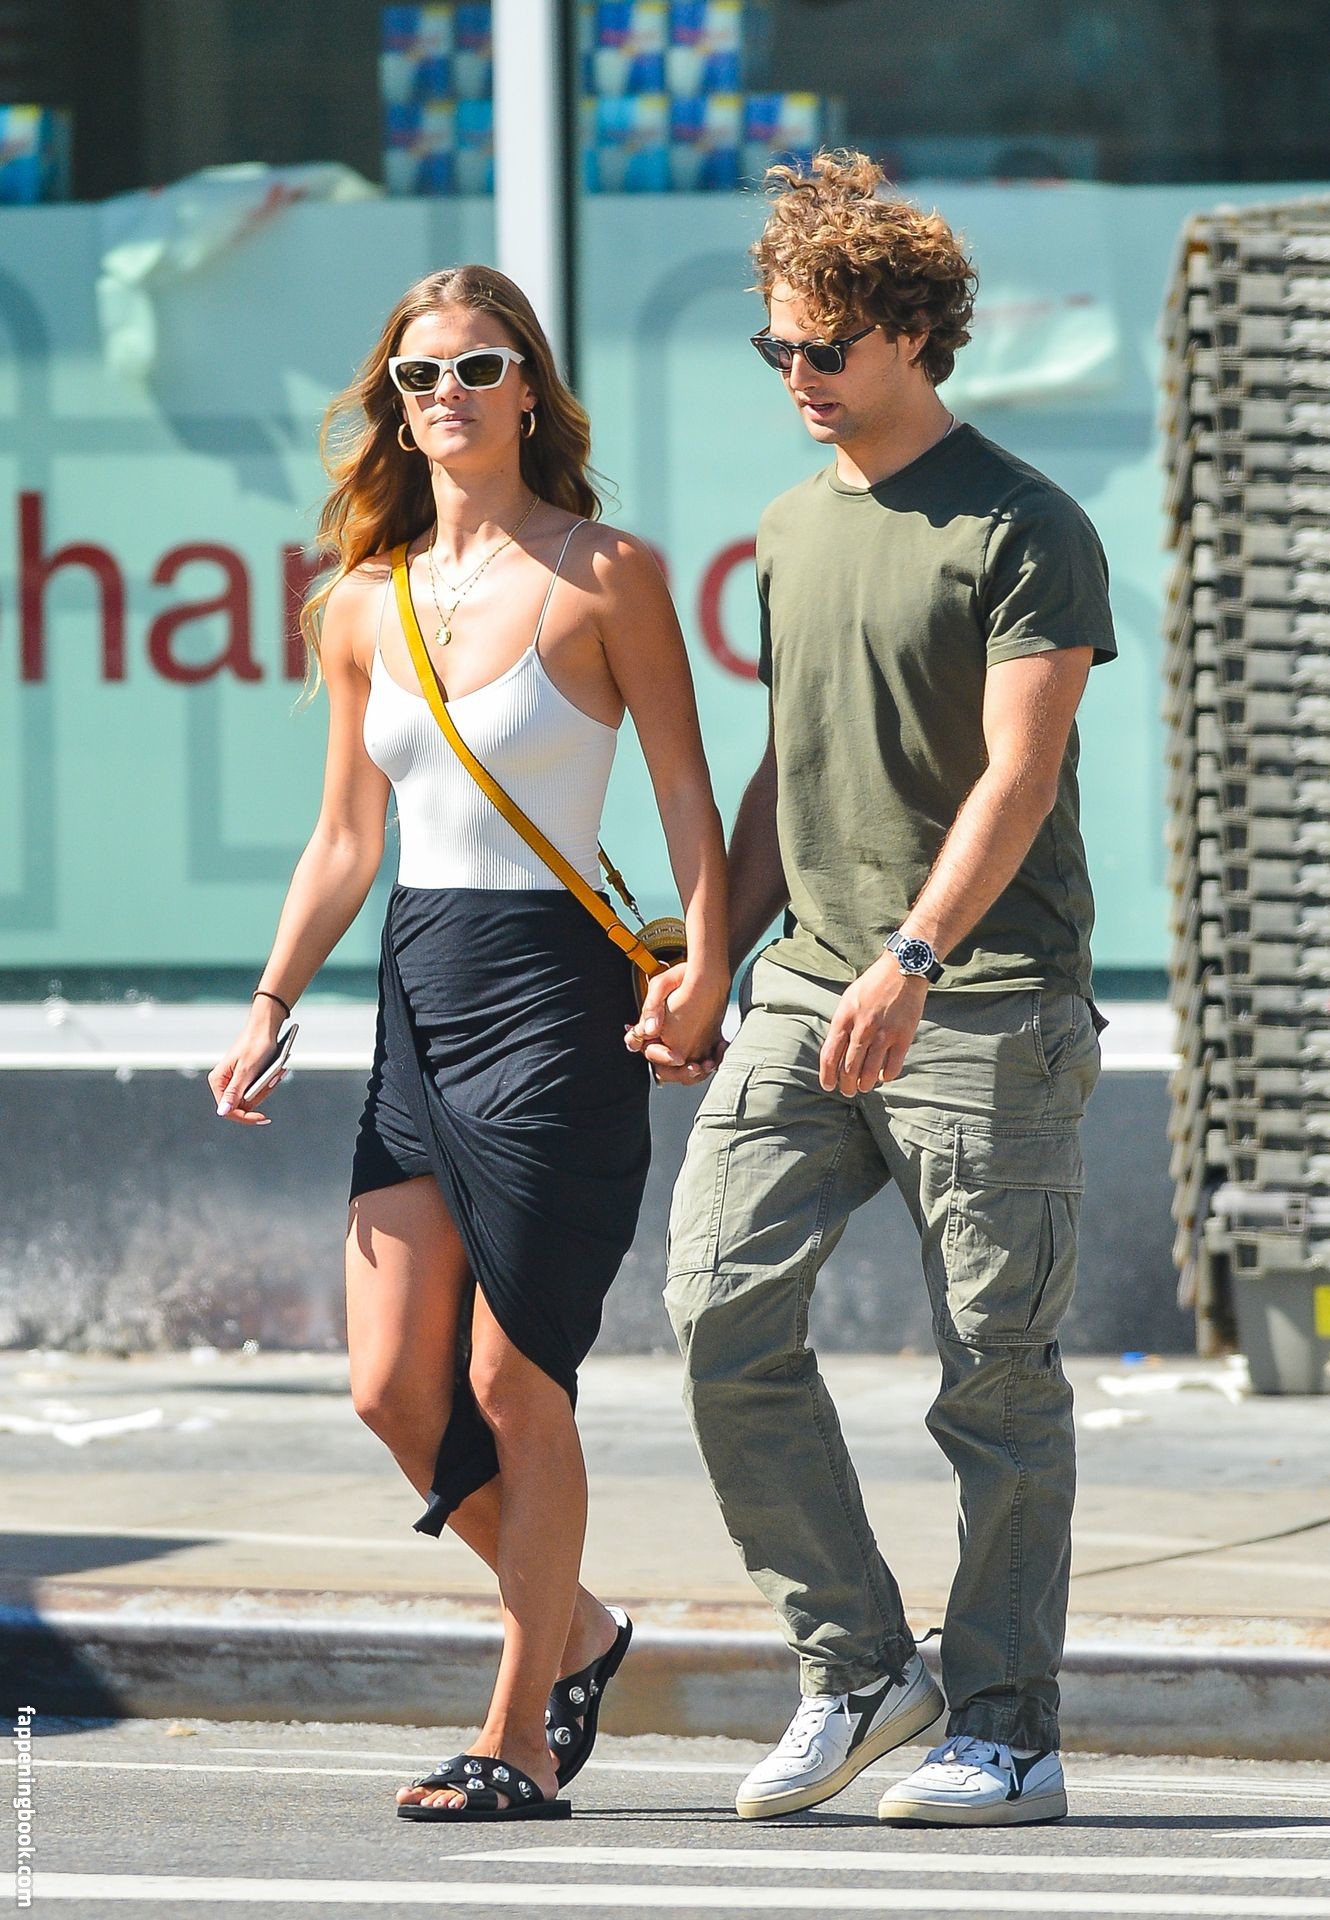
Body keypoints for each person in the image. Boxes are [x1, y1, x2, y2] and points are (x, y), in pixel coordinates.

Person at [209, 265, 728, 1822]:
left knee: (512, 1382)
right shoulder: (360, 600)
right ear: (394, 407)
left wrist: (707, 969)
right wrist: (270, 1002)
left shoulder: (606, 573)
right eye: (418, 375)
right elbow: (342, 838)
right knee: (388, 1387)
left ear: (528, 392)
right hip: (417, 989)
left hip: (557, 1000)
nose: (446, 394)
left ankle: (517, 1737)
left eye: (478, 367)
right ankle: (579, 1627)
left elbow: (685, 794)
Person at [642, 151, 1115, 1827]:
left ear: (911, 335)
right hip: (805, 989)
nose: (796, 376)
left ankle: (1005, 1726)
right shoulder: (791, 525)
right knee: (715, 1314)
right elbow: (790, 763)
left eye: (823, 348)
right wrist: (714, 957)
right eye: (773, 347)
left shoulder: (1023, 524)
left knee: (994, 1379)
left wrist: (915, 956)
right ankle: (856, 1667)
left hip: (983, 1002)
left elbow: (1016, 773)